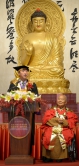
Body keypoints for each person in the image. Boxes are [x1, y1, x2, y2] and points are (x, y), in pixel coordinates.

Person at [20, 9, 64, 79]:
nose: (38, 24)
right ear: (32, 23)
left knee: (59, 70)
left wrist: (44, 66)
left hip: (48, 69)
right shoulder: (26, 37)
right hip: (32, 69)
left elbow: (57, 58)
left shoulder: (52, 37)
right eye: (35, 21)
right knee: (20, 71)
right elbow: (23, 63)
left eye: (41, 21)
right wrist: (28, 54)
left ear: (45, 22)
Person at [41, 94, 78, 162]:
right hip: (52, 127)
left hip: (64, 129)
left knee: (66, 135)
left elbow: (73, 121)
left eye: (62, 99)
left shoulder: (69, 111)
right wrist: (56, 120)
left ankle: (60, 157)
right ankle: (48, 156)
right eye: (59, 99)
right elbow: (46, 120)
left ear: (66, 102)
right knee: (47, 135)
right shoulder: (51, 110)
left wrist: (63, 122)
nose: (60, 100)